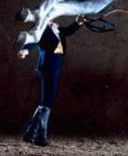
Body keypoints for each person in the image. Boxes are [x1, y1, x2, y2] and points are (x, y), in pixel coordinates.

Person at [17, 16, 85, 146]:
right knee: (48, 101)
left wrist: (78, 22)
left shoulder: (57, 29)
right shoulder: (41, 28)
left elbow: (69, 30)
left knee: (46, 101)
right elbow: (32, 39)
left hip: (55, 65)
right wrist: (25, 50)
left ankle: (30, 133)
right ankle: (40, 136)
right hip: (47, 65)